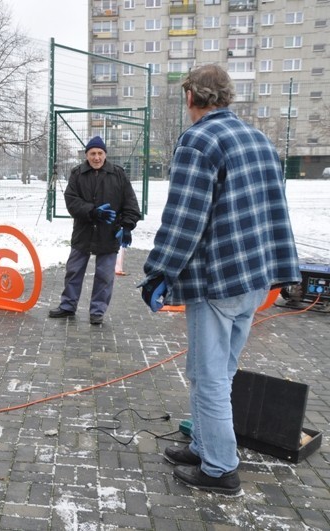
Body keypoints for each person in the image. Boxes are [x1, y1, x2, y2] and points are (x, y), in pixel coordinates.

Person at [139, 64, 301, 496]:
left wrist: (158, 272)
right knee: (220, 373)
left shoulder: (200, 139)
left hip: (218, 281)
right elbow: (274, 212)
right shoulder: (260, 140)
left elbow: (184, 219)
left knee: (208, 376)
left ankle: (220, 469)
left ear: (192, 96)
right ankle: (203, 444)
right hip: (254, 280)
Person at [49, 135, 140, 325]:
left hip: (109, 233)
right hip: (83, 232)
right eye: (92, 154)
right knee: (73, 271)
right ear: (87, 155)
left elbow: (130, 203)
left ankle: (97, 311)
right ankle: (68, 306)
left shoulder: (118, 174)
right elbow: (71, 201)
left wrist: (127, 226)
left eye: (100, 153)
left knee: (105, 276)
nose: (96, 157)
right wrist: (92, 212)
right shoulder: (78, 174)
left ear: (105, 154)